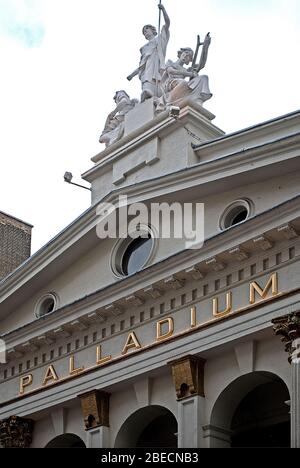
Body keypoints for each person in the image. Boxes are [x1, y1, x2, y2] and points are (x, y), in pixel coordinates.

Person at [127, 3, 170, 102]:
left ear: (153, 30)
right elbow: (142, 65)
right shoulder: (144, 48)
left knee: (157, 91)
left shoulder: (160, 39)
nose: (145, 33)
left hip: (158, 70)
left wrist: (163, 10)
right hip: (147, 73)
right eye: (144, 32)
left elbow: (167, 24)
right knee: (146, 91)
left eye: (147, 30)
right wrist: (132, 75)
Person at [156, 47, 212, 112]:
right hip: (170, 84)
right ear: (181, 53)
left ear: (189, 60)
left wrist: (206, 47)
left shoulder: (186, 70)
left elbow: (201, 65)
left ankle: (199, 98)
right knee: (183, 83)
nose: (186, 56)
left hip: (181, 84)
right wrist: (190, 74)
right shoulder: (170, 62)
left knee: (203, 78)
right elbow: (171, 71)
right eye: (185, 53)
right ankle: (169, 103)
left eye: (189, 56)